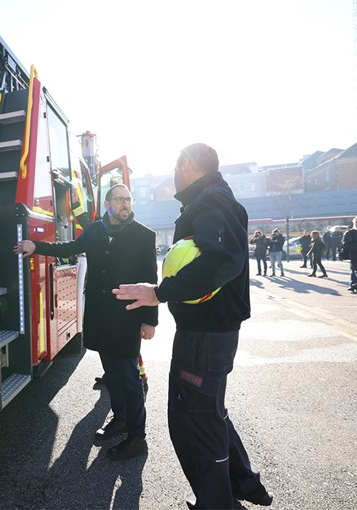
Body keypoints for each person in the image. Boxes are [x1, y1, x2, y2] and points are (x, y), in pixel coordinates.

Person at [113, 143, 272, 509]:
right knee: (209, 410)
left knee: (194, 419)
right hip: (212, 331)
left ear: (187, 164)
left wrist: (160, 292)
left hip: (205, 334)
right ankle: (246, 483)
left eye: (175, 166)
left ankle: (216, 503)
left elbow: (223, 260)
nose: (173, 175)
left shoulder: (211, 202)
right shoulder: (216, 199)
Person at [14, 184, 158, 460]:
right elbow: (69, 247)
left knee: (129, 377)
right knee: (112, 374)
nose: (125, 204)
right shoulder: (94, 230)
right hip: (101, 315)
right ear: (107, 203)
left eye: (128, 199)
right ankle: (121, 418)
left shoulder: (144, 235)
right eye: (119, 200)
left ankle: (137, 437)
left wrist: (150, 320)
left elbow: (151, 279)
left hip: (128, 316)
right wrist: (36, 246)